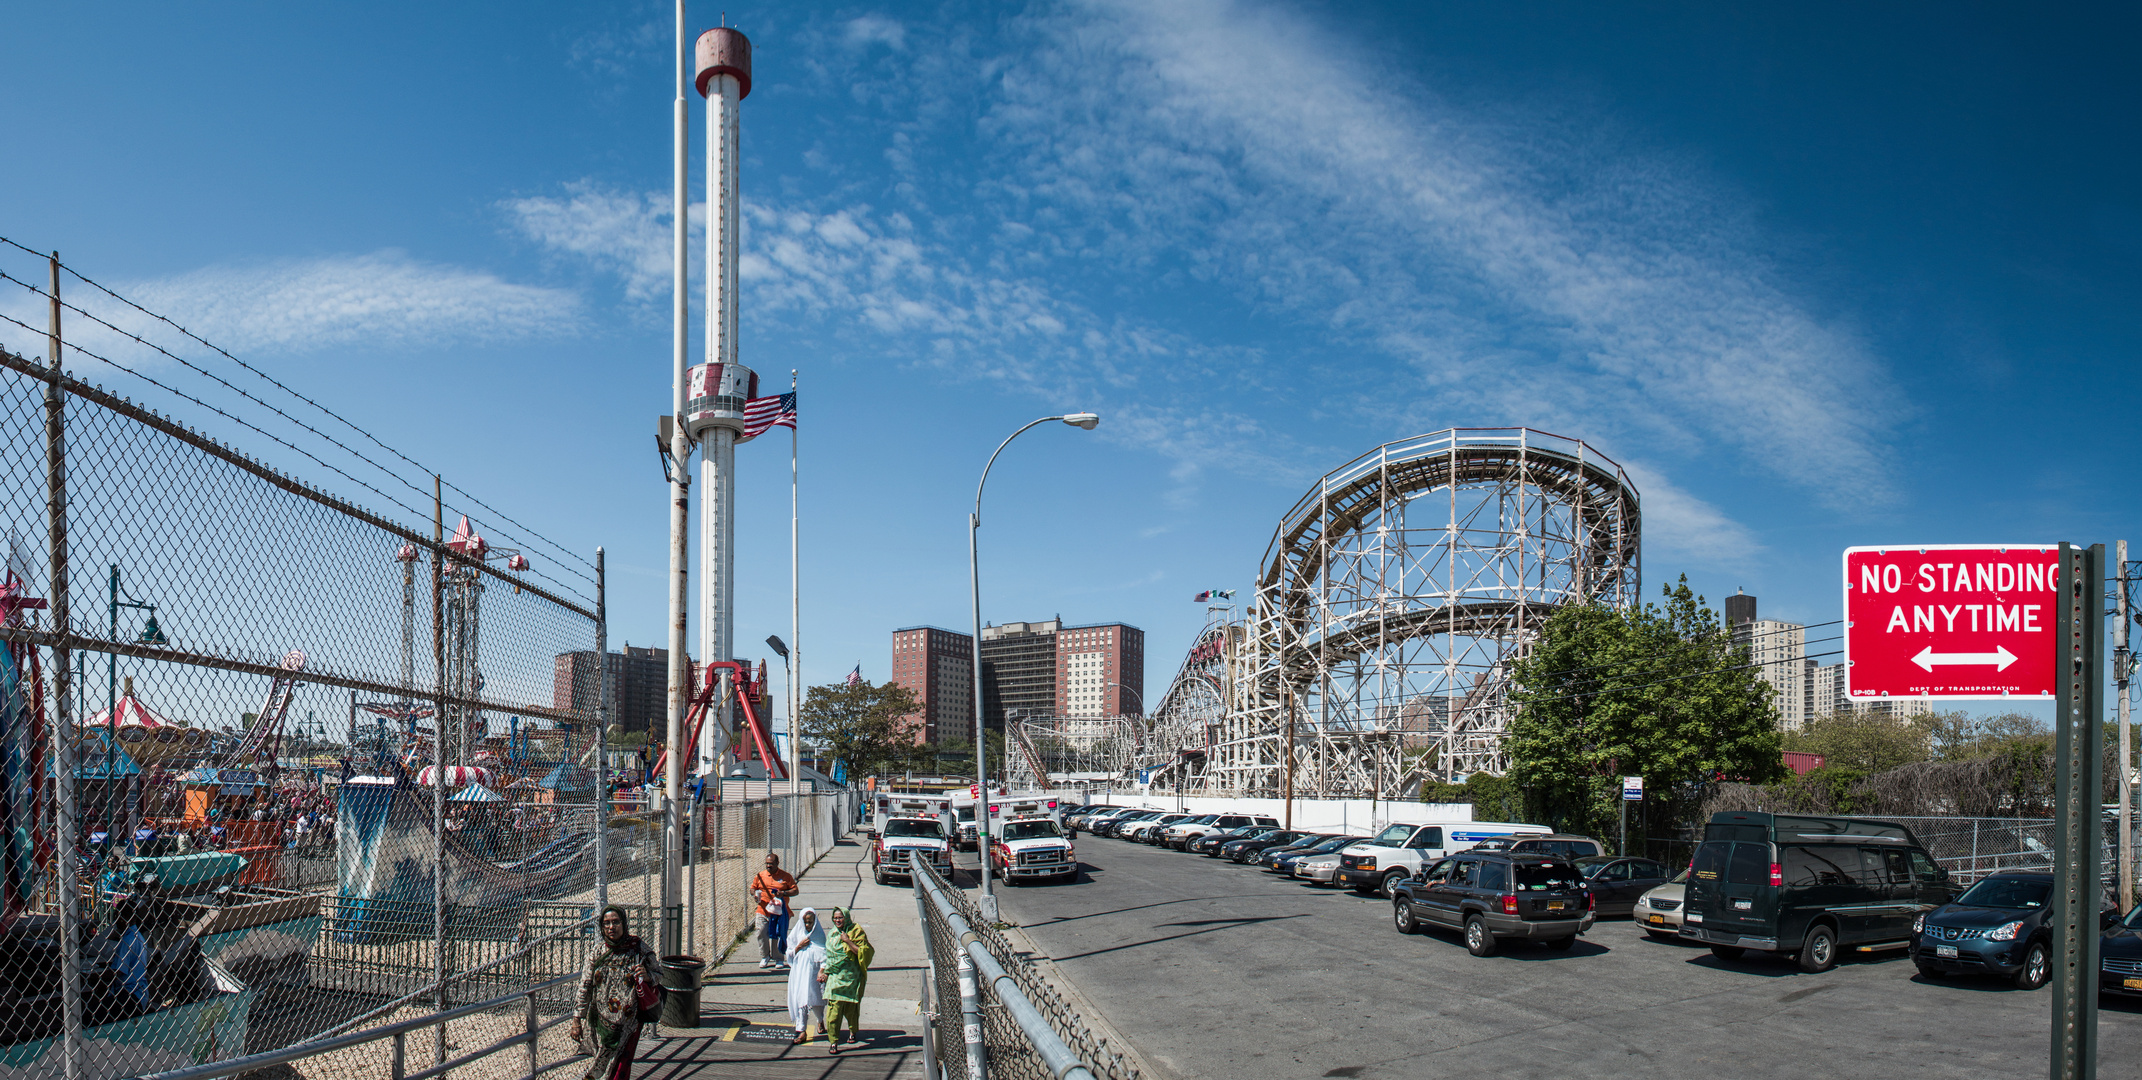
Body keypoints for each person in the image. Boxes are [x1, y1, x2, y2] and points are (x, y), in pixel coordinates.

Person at [571, 906, 661, 1080]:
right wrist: (577, 1019)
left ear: (624, 923)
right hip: (600, 1023)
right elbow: (585, 986)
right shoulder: (598, 952)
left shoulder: (637, 947)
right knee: (599, 1064)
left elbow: (659, 974)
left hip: (629, 1024)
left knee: (618, 1069)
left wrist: (647, 976)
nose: (611, 927)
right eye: (606, 924)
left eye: (615, 922)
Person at [819, 906, 874, 1053]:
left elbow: (864, 952)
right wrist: (824, 971)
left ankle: (852, 1031)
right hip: (835, 977)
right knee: (833, 1011)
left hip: (851, 978)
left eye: (840, 917)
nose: (837, 920)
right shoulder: (831, 934)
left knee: (851, 1009)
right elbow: (829, 956)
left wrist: (848, 941)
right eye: (835, 918)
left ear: (847, 918)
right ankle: (833, 1041)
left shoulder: (856, 931)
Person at [785, 908, 827, 1044]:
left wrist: (822, 970)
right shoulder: (797, 934)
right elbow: (789, 953)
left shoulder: (819, 936)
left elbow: (825, 955)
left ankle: (820, 1020)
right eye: (806, 922)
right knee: (801, 1000)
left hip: (814, 974)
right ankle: (801, 1030)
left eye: (810, 922)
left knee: (817, 1001)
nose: (808, 925)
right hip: (800, 973)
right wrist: (799, 946)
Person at [750, 853, 798, 970]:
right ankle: (765, 956)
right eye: (767, 864)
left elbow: (795, 891)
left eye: (771, 864)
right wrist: (755, 894)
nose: (768, 866)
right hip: (763, 909)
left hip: (780, 912)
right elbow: (753, 888)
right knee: (761, 932)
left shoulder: (786, 876)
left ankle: (778, 958)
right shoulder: (760, 876)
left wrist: (784, 893)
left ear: (777, 863)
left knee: (778, 934)